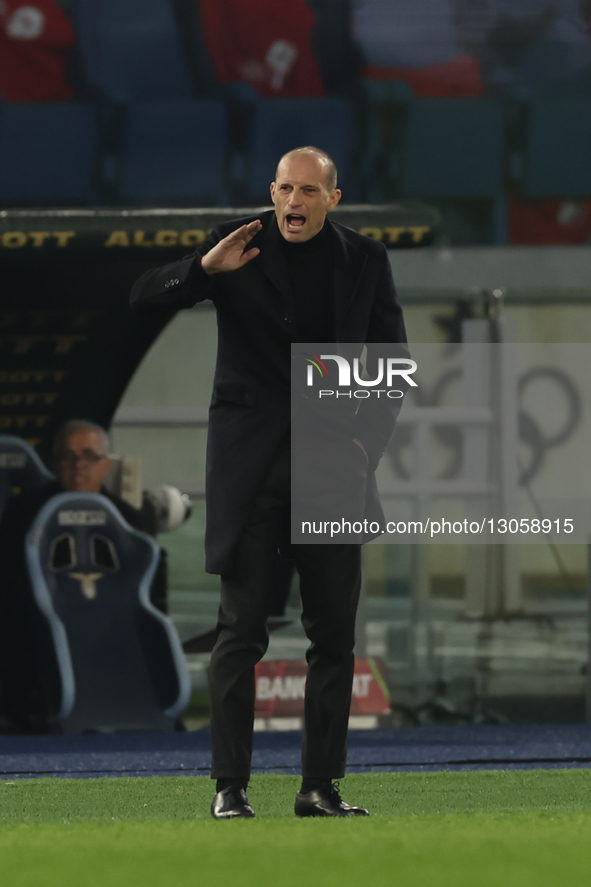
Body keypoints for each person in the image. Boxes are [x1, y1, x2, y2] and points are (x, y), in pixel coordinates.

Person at [130, 146, 408, 818]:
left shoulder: (364, 259)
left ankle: (319, 787)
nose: (292, 202)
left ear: (331, 199)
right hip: (251, 469)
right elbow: (142, 296)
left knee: (333, 636)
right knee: (240, 631)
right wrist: (202, 270)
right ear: (272, 190)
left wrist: (361, 444)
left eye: (307, 191)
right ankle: (230, 786)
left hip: (331, 469)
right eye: (285, 188)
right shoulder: (239, 245)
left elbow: (391, 362)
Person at [0, 419, 166, 730]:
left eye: (89, 456)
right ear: (54, 463)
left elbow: (146, 597)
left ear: (106, 465)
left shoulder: (130, 521)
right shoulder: (22, 514)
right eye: (68, 456)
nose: (78, 465)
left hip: (111, 639)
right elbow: (10, 589)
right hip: (34, 640)